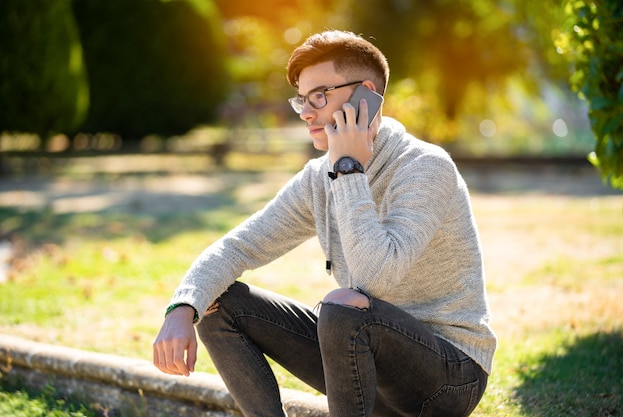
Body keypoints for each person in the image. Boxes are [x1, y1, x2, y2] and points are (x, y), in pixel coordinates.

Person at [153, 30, 497, 417]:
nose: (305, 112)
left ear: (365, 94)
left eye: (319, 96)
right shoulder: (318, 178)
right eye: (302, 99)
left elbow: (376, 278)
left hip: (447, 379)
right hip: (366, 364)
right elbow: (238, 247)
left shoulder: (424, 167)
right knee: (218, 301)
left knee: (343, 307)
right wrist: (183, 307)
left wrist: (349, 168)